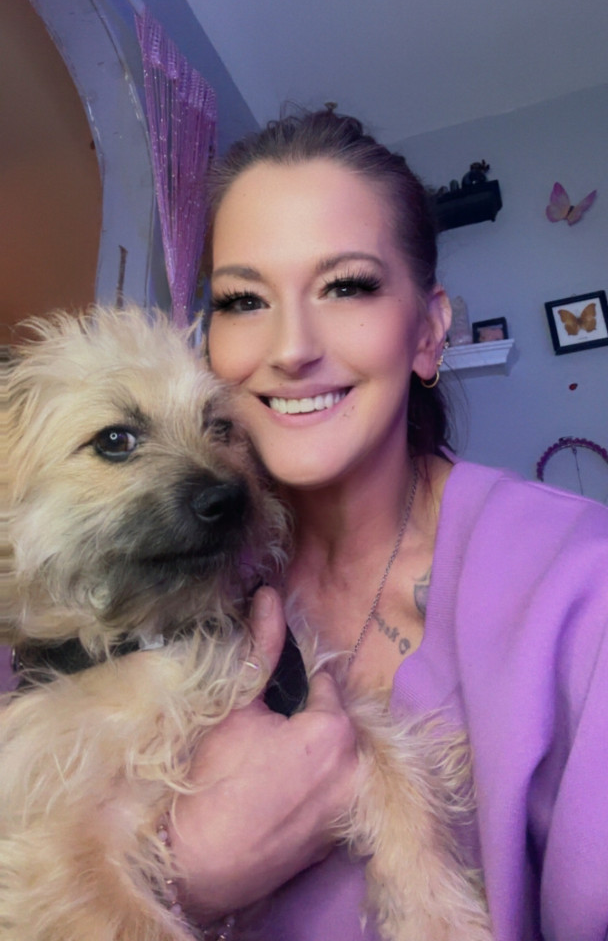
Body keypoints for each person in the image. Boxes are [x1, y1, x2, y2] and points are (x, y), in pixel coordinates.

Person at [168, 109, 608, 941]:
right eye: (242, 299)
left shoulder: (582, 592)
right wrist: (187, 882)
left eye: (346, 286)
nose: (291, 347)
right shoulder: (152, 569)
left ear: (429, 331)